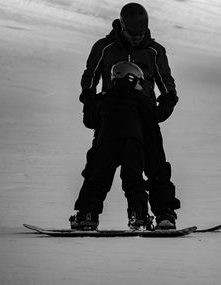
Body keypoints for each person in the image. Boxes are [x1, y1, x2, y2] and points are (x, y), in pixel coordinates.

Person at [71, 3, 180, 230]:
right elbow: (89, 75)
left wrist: (168, 99)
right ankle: (87, 214)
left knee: (155, 166)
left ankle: (164, 214)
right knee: (98, 167)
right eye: (132, 34)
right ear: (122, 27)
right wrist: (90, 101)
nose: (136, 39)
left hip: (145, 114)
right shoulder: (104, 47)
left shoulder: (155, 51)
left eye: (141, 34)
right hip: (111, 114)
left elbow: (165, 79)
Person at [72, 61, 155, 230]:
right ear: (131, 78)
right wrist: (169, 103)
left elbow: (90, 121)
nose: (140, 85)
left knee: (98, 180)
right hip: (132, 143)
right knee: (134, 180)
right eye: (139, 81)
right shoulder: (140, 99)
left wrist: (89, 101)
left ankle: (88, 215)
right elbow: (153, 118)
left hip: (106, 143)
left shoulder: (103, 98)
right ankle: (138, 216)